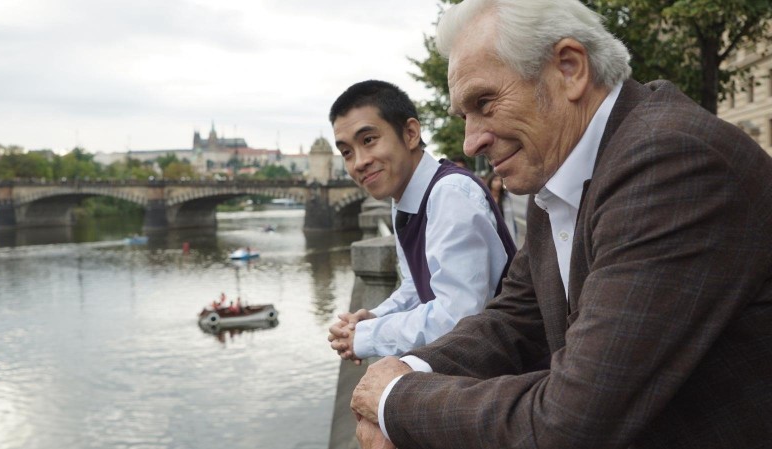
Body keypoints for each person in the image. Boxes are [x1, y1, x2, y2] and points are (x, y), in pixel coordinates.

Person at [349, 0, 772, 448]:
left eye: (485, 102)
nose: (472, 139)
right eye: (464, 115)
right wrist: (411, 369)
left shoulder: (671, 160)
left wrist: (397, 401)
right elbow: (514, 320)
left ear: (569, 68)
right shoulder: (560, 171)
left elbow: (571, 422)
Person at [328, 79, 517, 365]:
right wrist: (377, 316)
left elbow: (459, 317)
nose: (359, 162)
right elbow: (417, 287)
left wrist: (368, 336)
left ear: (411, 133)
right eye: (346, 152)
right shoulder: (404, 199)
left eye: (368, 140)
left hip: (506, 372)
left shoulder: (449, 194)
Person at [484, 172, 518, 243]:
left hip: (504, 231)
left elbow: (510, 219)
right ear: (490, 181)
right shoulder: (484, 197)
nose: (498, 183)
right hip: (490, 231)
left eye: (500, 180)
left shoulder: (506, 198)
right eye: (495, 180)